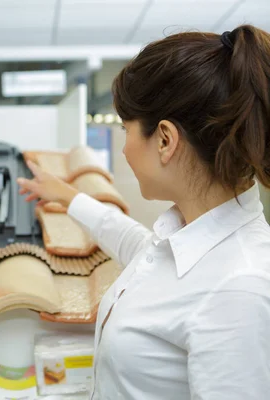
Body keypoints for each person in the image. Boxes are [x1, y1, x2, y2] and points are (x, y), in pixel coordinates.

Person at [18, 25, 270, 399]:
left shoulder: (238, 290)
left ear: (165, 140)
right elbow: (134, 243)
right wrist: (69, 197)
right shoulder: (190, 234)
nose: (124, 150)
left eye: (126, 130)